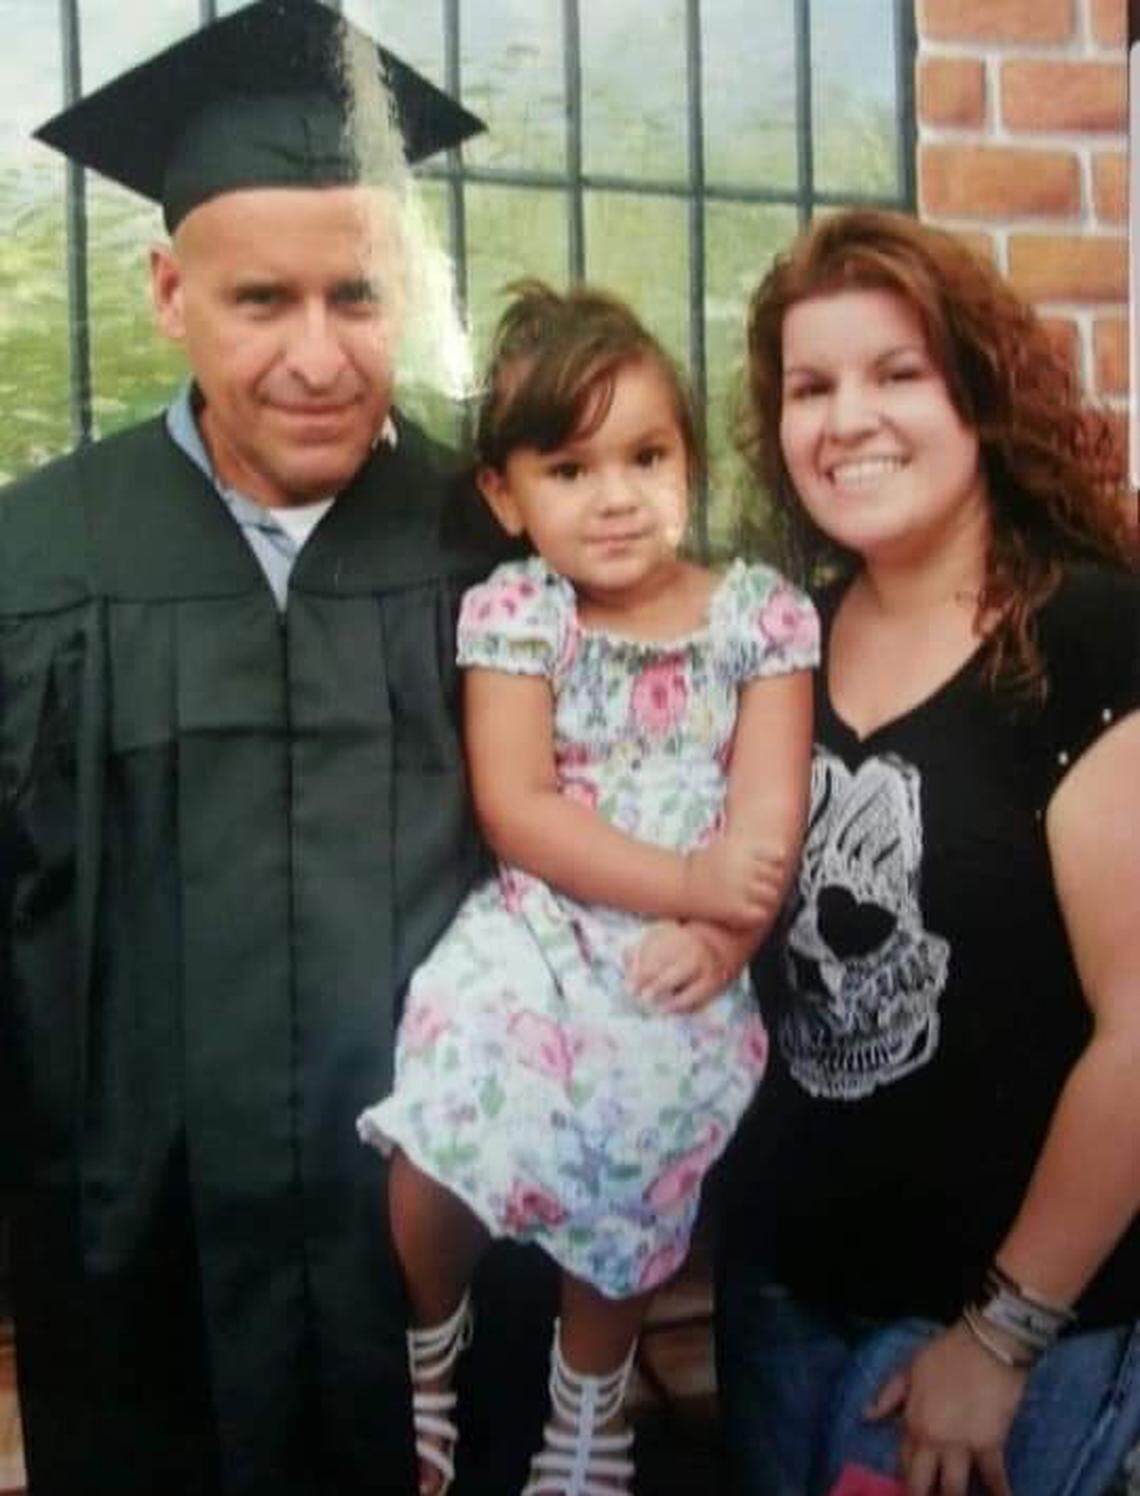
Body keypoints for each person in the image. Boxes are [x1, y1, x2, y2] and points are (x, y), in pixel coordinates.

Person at [0, 4, 555, 1492]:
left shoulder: (493, 550)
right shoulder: (34, 567)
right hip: (136, 1282)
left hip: (443, 1275)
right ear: (169, 289)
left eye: (359, 297)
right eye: (262, 302)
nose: (319, 355)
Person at [356, 281, 819, 1496]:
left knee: (651, 1098)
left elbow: (767, 811)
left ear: (690, 463)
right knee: (451, 1083)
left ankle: (590, 1395)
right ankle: (426, 1342)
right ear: (507, 498)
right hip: (538, 919)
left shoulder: (759, 618)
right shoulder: (519, 613)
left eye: (646, 455)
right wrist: (688, 875)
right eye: (569, 468)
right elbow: (519, 808)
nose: (615, 495)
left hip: (690, 939)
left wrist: (726, 932)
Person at [716, 207, 1140, 1496]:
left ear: (980, 393)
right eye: (811, 385)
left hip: (994, 1327)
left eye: (898, 371)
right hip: (781, 1303)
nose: (848, 418)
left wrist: (1004, 1333)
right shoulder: (778, 638)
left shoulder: (1089, 638)